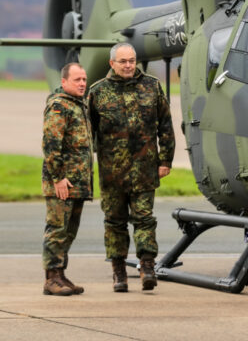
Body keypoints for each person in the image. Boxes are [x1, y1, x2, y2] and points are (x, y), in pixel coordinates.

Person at [88, 43, 175, 292]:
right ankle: (118, 272)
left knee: (144, 219)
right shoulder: (98, 92)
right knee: (114, 222)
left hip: (145, 169)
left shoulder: (151, 86)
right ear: (112, 63)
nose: (128, 65)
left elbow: (165, 126)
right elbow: (88, 133)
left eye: (132, 60)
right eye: (123, 61)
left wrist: (165, 160)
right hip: (112, 173)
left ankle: (147, 267)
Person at [41, 62, 93, 296]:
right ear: (64, 82)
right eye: (77, 80)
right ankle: (51, 278)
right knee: (57, 229)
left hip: (77, 183)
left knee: (69, 231)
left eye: (84, 79)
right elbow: (51, 145)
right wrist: (58, 178)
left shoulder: (79, 105)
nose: (82, 83)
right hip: (62, 183)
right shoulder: (59, 106)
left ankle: (61, 275)